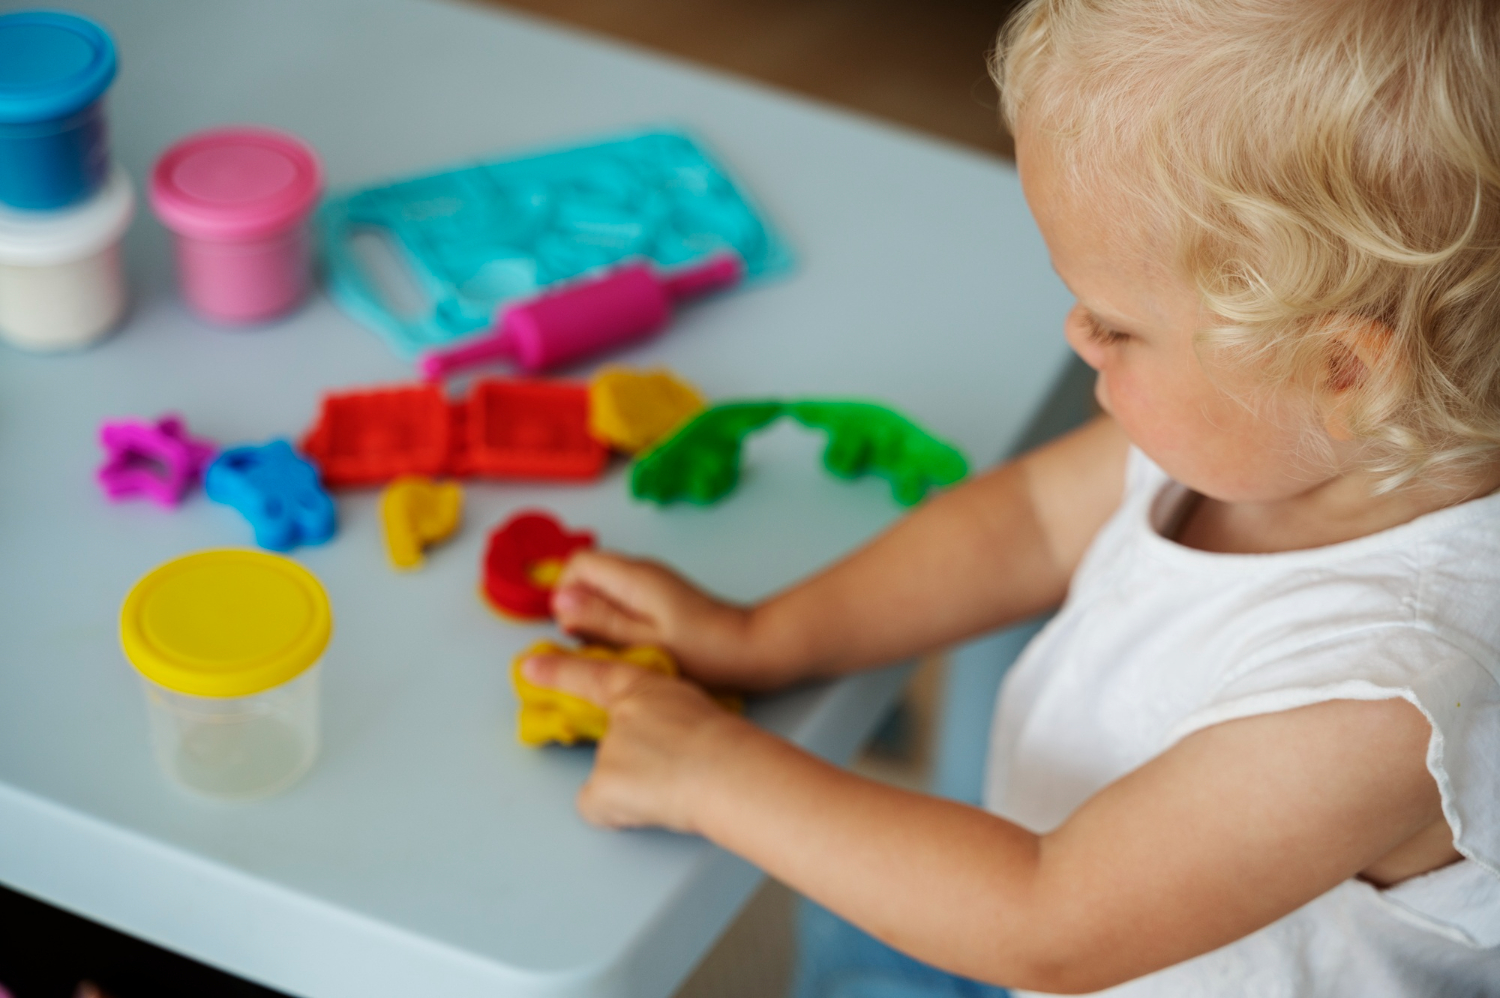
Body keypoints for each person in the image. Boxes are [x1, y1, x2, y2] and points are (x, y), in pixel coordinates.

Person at [521, 0, 1500, 993]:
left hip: (1047, 919)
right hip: (1018, 868)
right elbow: (1026, 520)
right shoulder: (1276, 438)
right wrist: (767, 633)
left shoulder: (1392, 694)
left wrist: (710, 771)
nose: (1077, 334)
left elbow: (1047, 919)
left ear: (1338, 368)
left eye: (1118, 325)